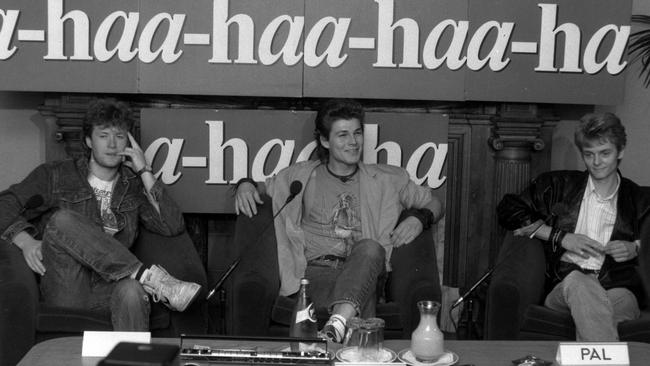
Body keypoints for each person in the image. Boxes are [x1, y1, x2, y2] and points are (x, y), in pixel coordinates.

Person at [235, 99, 444, 342]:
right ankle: (344, 327)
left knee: (369, 247)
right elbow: (259, 188)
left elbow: (435, 203)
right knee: (360, 301)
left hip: (365, 268)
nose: (353, 142)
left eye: (357, 133)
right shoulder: (300, 177)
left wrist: (420, 218)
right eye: (342, 135)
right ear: (325, 141)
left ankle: (337, 324)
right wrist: (244, 185)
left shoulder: (388, 180)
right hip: (316, 275)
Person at [0, 99, 201, 331]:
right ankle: (149, 278)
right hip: (67, 285)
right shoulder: (56, 175)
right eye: (104, 135)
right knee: (63, 219)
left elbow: (172, 225)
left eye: (120, 136)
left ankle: (133, 358)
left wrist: (144, 170)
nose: (113, 144)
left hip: (109, 287)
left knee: (132, 291)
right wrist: (24, 241)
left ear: (130, 142)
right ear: (88, 141)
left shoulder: (133, 186)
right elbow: (4, 203)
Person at [497, 112, 647, 341]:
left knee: (620, 303)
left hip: (616, 288)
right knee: (581, 283)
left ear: (621, 151)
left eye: (605, 153)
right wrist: (560, 236)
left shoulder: (638, 199)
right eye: (589, 154)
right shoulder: (557, 185)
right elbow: (508, 209)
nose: (596, 162)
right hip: (565, 285)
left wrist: (635, 247)